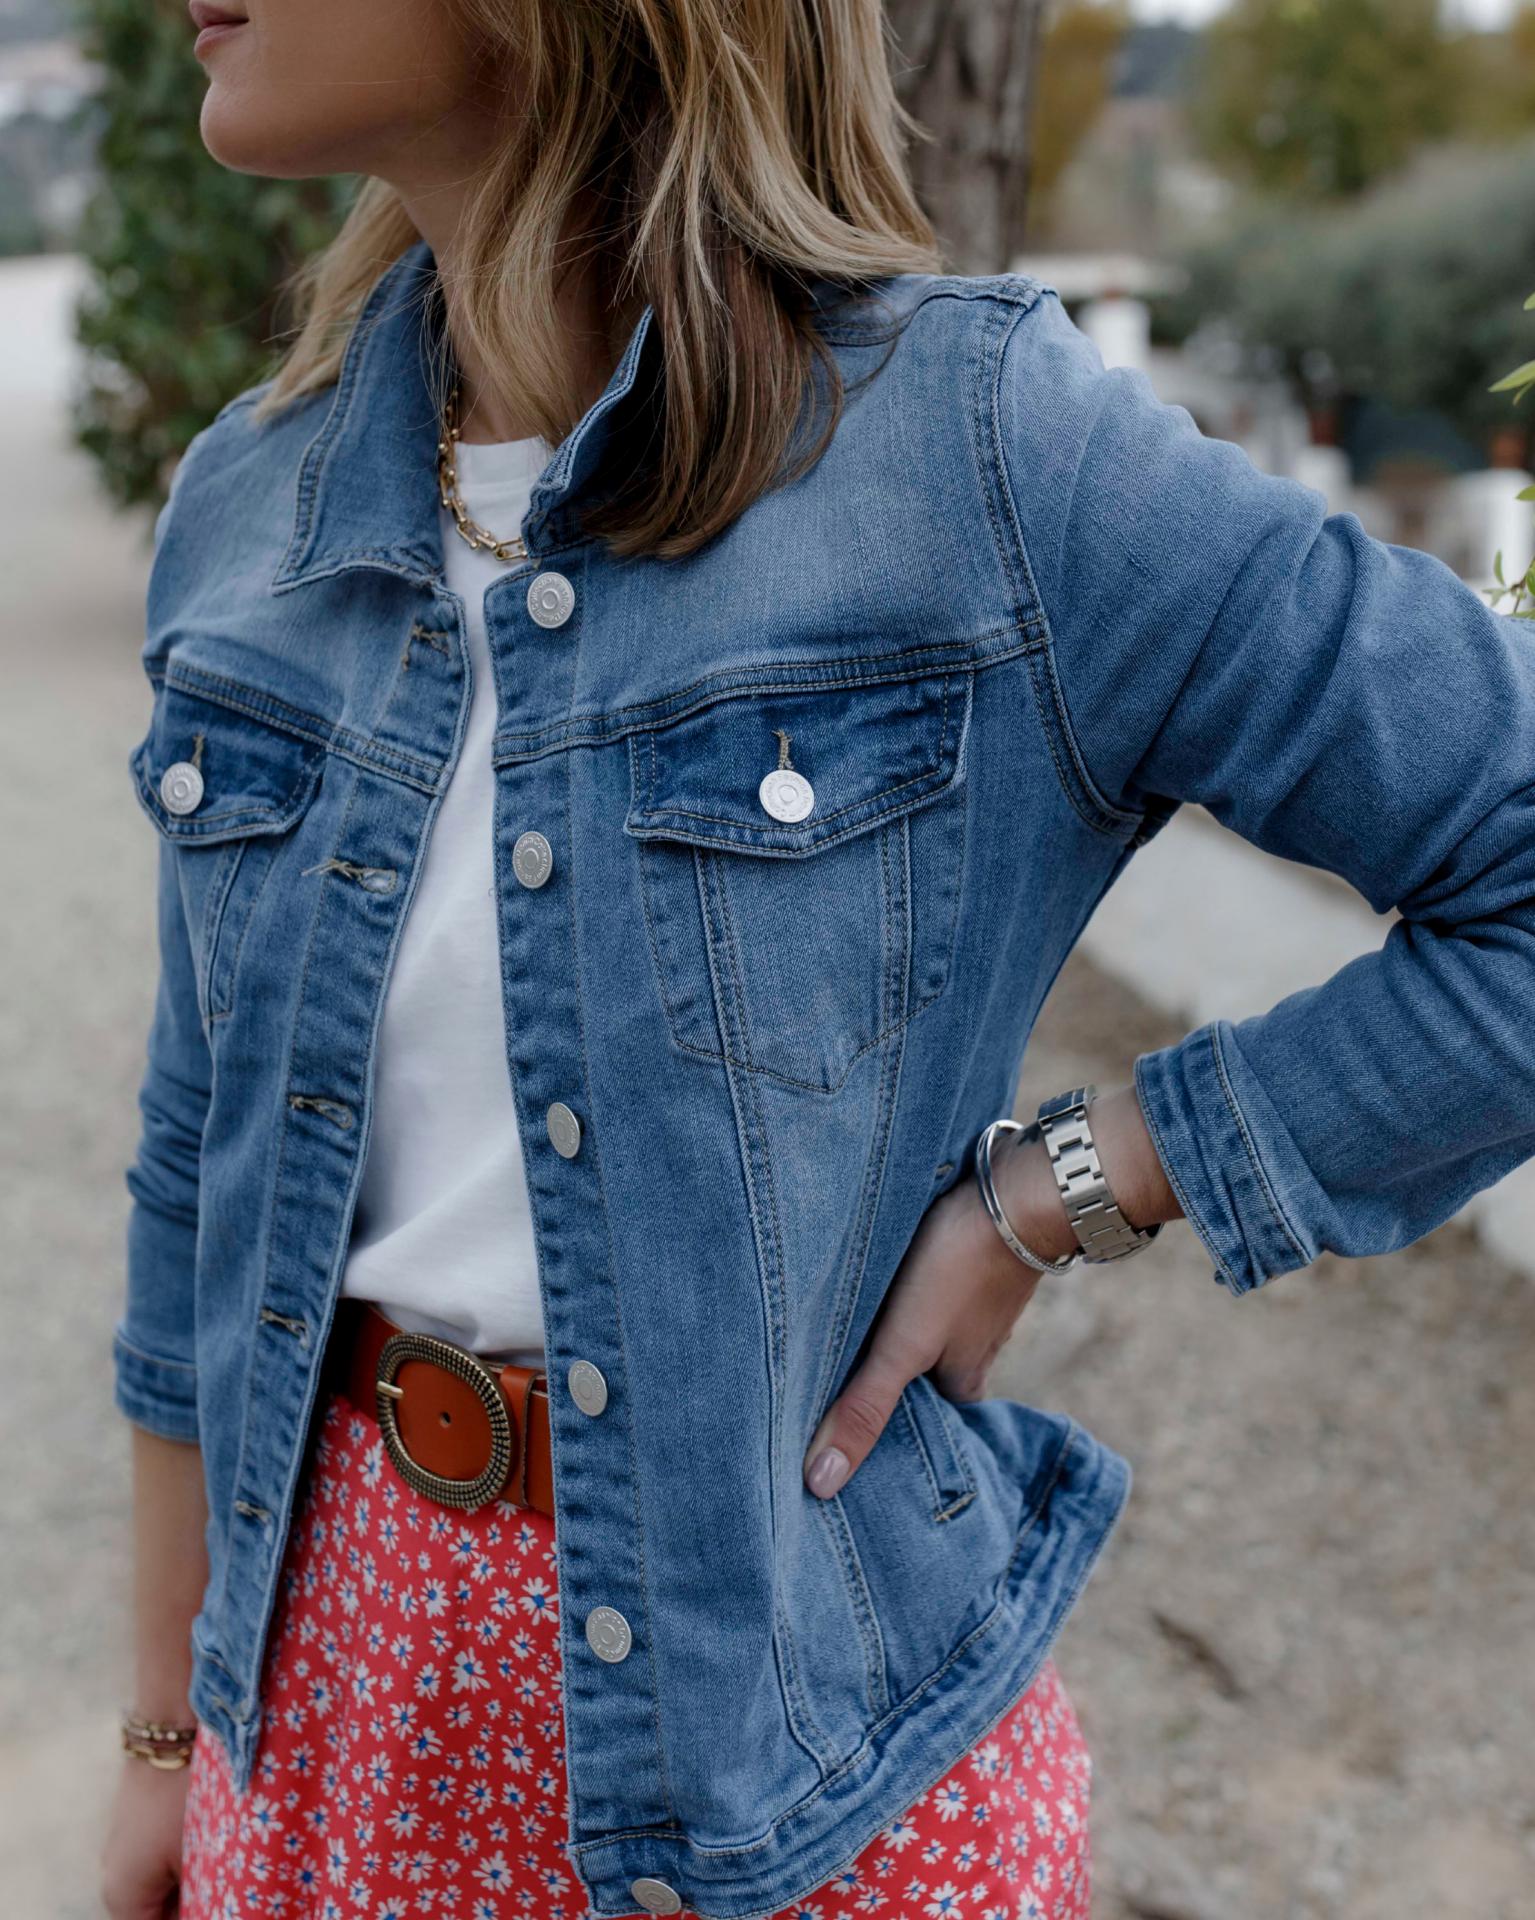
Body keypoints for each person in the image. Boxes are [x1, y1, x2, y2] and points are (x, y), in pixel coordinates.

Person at [100, 2, 1535, 1917]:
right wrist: (167, 1734)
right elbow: (197, 1166)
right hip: (327, 1750)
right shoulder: (248, 510)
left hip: (811, 1800)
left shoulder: (975, 455)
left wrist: (1076, 1179)